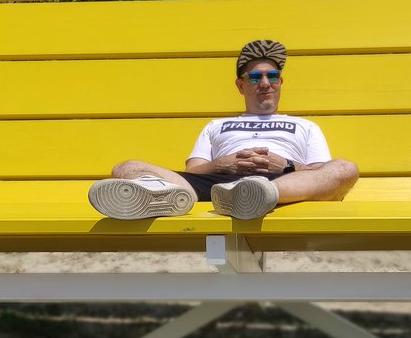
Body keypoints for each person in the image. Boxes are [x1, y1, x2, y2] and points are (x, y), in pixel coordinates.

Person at [89, 39, 359, 220]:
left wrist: (286, 165)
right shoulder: (215, 125)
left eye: (272, 76)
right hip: (219, 187)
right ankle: (157, 194)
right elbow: (193, 171)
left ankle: (258, 193)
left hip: (281, 182)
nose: (265, 83)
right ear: (241, 86)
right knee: (126, 168)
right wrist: (223, 164)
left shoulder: (305, 126)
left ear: (280, 82)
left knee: (346, 169)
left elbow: (321, 173)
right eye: (255, 77)